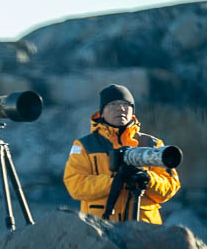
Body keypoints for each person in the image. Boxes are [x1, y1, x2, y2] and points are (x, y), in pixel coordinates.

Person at [63, 84, 180, 223]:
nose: (120, 108)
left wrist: (147, 179)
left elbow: (171, 185)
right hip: (100, 228)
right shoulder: (84, 146)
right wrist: (115, 182)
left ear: (133, 111)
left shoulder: (153, 145)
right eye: (113, 104)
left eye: (126, 104)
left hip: (145, 230)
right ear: (101, 112)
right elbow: (75, 185)